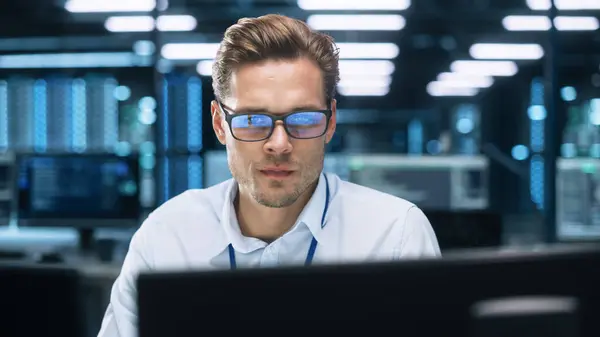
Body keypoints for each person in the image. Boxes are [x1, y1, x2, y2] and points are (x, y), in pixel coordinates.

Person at [98, 14, 440, 337]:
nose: (279, 144)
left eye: (304, 119)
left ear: (331, 121)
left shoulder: (395, 236)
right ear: (219, 123)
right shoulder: (167, 237)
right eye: (252, 120)